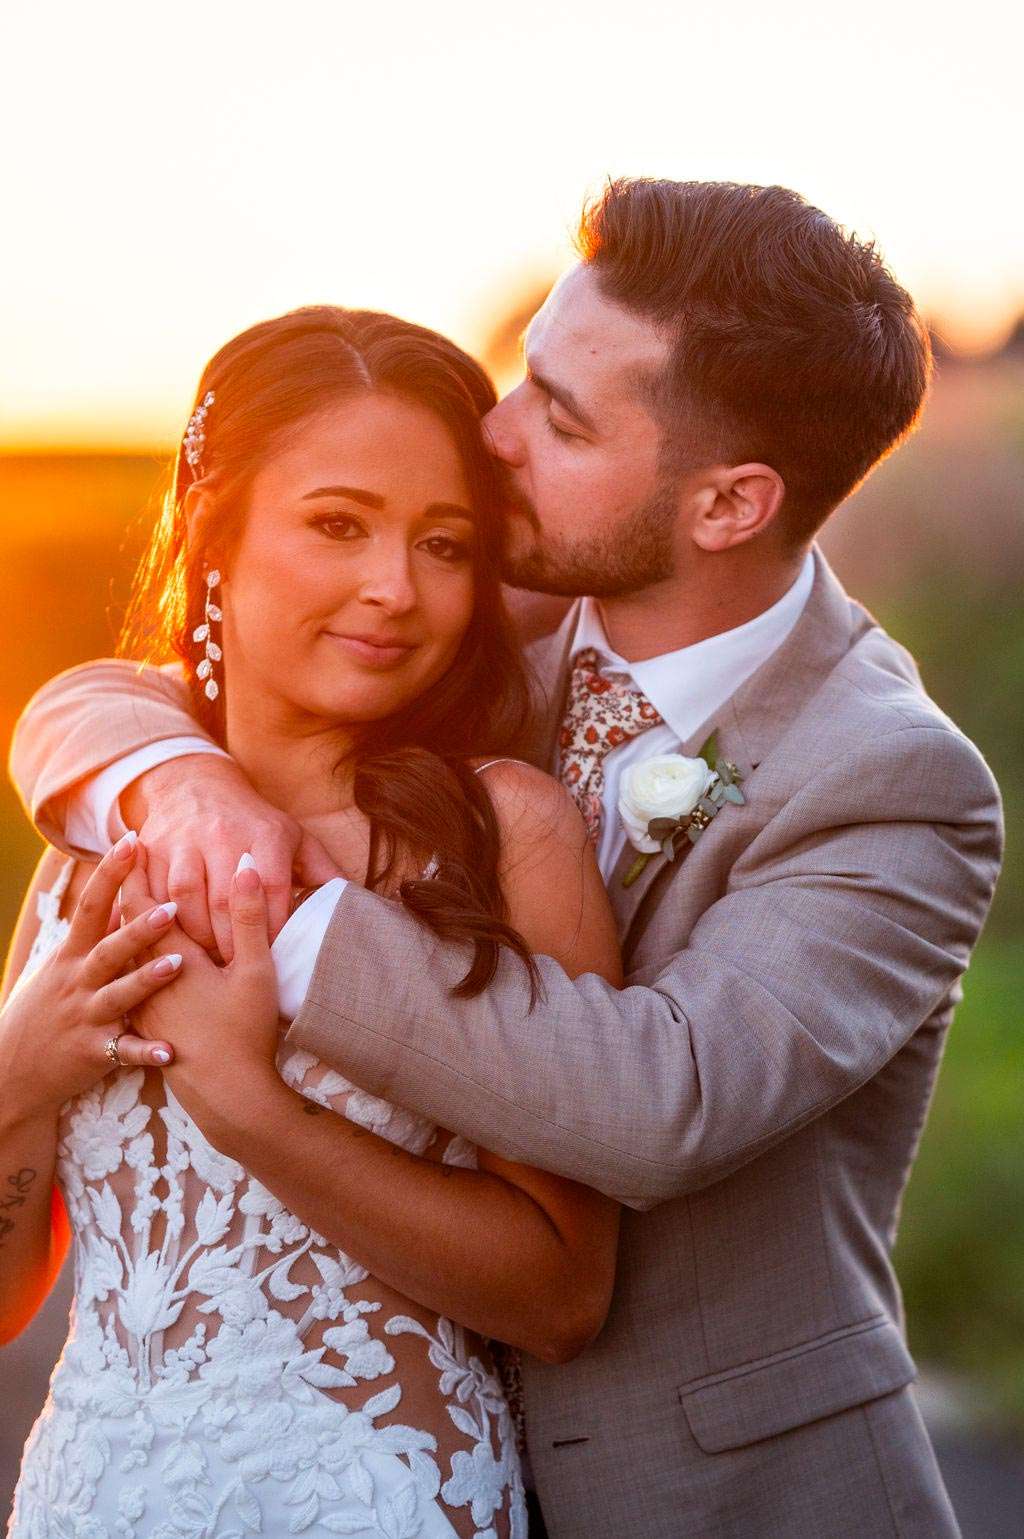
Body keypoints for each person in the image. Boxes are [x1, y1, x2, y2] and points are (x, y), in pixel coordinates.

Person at [10, 180, 1004, 1538]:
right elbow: (147, 673)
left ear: (729, 503)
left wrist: (277, 913)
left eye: (560, 411)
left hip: (725, 1499)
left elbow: (669, 1098)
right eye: (523, 375)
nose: (493, 432)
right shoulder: (480, 614)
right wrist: (172, 783)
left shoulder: (891, 781)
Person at [1, 307, 625, 1538]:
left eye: (444, 544)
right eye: (338, 525)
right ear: (212, 535)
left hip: (378, 1501)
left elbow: (561, 1294)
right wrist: (17, 1077)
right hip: (97, 1499)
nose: (394, 590)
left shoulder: (504, 840)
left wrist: (254, 1113)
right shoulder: (99, 838)